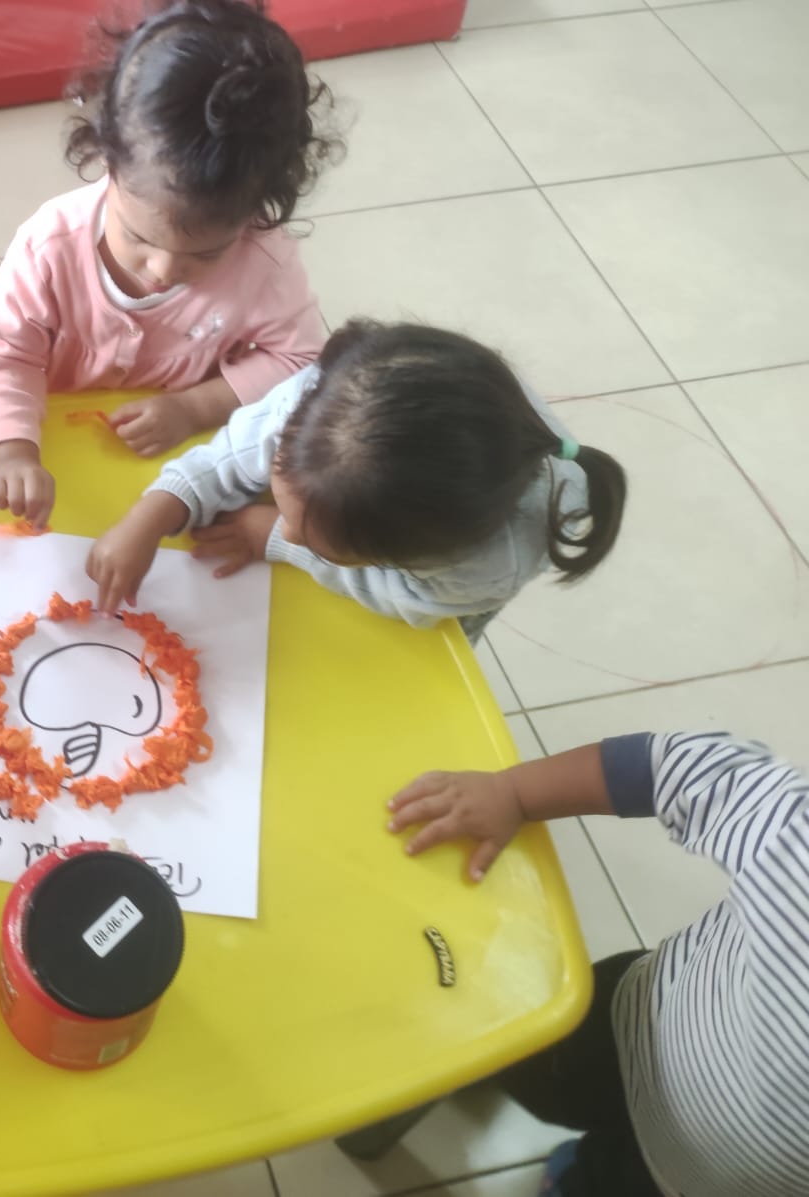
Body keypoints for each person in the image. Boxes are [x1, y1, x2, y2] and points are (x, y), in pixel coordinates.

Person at [386, 730, 809, 1197]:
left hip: (683, 1185)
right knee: (527, 1062)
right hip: (625, 1027)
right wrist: (514, 793)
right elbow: (684, 767)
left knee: (599, 1179)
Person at [0, 0, 337, 527]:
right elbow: (9, 357)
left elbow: (300, 360)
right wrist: (14, 451)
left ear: (257, 210)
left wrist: (195, 408)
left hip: (185, 463)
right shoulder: (48, 247)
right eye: (139, 237)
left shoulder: (264, 259)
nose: (163, 270)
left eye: (206, 253)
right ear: (107, 158)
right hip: (61, 449)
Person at [86, 320, 627, 640]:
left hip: (446, 591)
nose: (291, 530)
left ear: (396, 554)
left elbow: (407, 599)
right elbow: (232, 453)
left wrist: (274, 537)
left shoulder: (482, 565)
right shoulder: (325, 405)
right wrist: (153, 513)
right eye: (289, 511)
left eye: (313, 537)